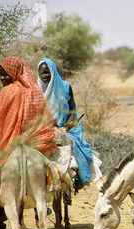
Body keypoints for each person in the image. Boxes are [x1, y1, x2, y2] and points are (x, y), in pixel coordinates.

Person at [0, 56, 58, 229]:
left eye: (5, 75)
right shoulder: (33, 90)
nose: (3, 78)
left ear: (15, 73)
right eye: (1, 75)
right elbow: (44, 118)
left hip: (9, 145)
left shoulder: (7, 92)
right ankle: (48, 194)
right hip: (33, 143)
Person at [37, 58, 94, 190]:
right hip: (43, 130)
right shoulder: (35, 91)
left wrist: (66, 127)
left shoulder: (65, 87)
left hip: (64, 129)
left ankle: (75, 182)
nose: (45, 76)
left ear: (53, 72)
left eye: (48, 72)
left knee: (78, 152)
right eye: (42, 73)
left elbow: (73, 111)